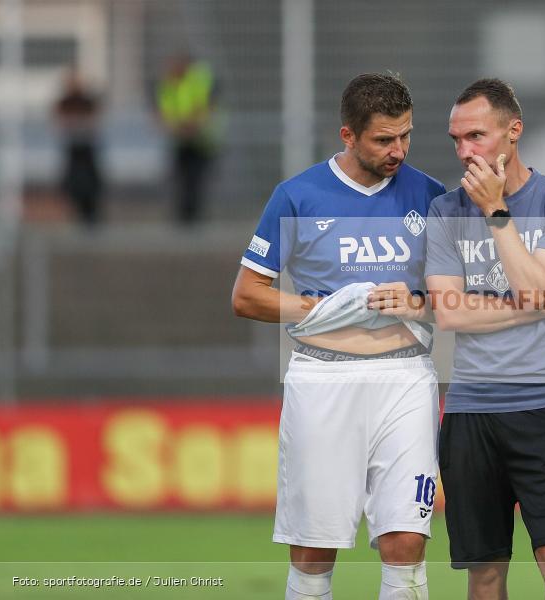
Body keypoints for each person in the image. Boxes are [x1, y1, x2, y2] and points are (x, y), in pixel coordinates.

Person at [232, 73, 445, 600]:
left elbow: (458, 297)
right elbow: (247, 295)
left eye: (406, 135)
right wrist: (322, 307)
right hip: (323, 379)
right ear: (348, 135)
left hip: (405, 379)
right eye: (384, 139)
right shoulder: (297, 196)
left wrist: (417, 303)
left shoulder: (430, 196)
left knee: (405, 542)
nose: (398, 150)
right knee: (313, 551)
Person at [425, 78, 545, 600]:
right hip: (471, 410)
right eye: (456, 139)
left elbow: (532, 287)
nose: (464, 151)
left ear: (513, 131)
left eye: (476, 135)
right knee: (484, 570)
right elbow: (449, 313)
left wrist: (497, 212)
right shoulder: (445, 211)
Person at [157, 53, 219, 225]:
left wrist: (193, 125)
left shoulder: (199, 79)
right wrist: (177, 127)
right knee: (182, 180)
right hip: (181, 141)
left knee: (195, 180)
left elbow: (206, 105)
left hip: (202, 141)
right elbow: (165, 111)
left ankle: (193, 218)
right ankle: (185, 217)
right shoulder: (169, 83)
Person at [54, 69, 102, 225]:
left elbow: (95, 121)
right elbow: (59, 122)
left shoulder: (88, 101)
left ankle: (90, 215)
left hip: (87, 150)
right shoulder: (65, 102)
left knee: (89, 184)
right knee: (73, 184)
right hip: (72, 150)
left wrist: (78, 124)